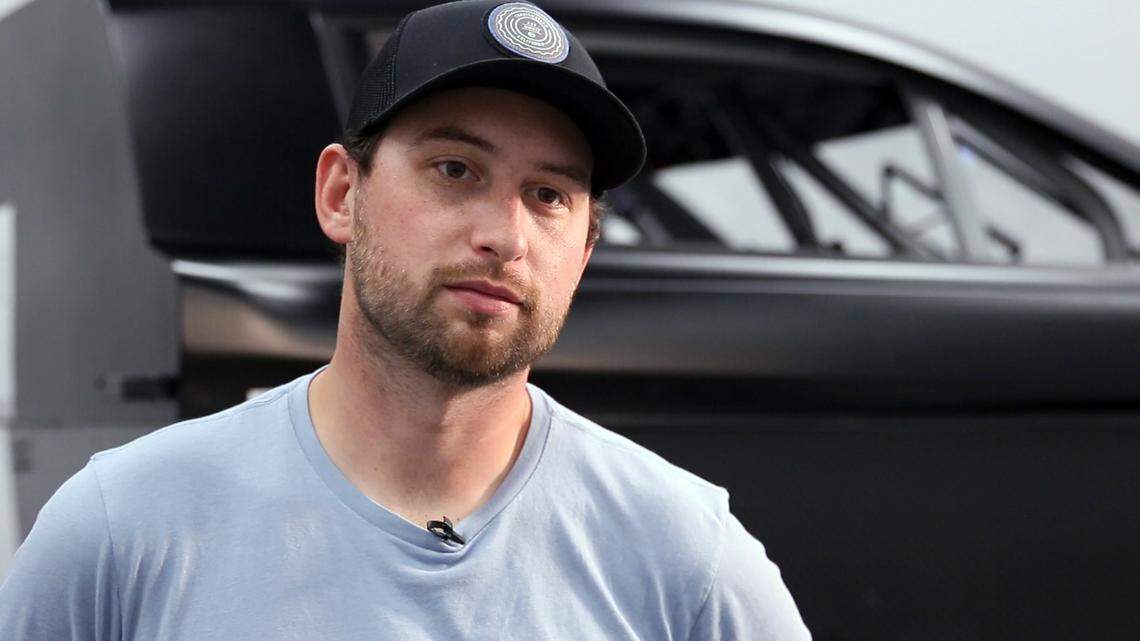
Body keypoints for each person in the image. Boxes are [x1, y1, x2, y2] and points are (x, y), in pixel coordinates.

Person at [0, 1, 810, 638]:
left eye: (549, 195)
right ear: (340, 194)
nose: (505, 234)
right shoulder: (123, 529)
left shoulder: (686, 559)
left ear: (587, 247)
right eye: (455, 169)